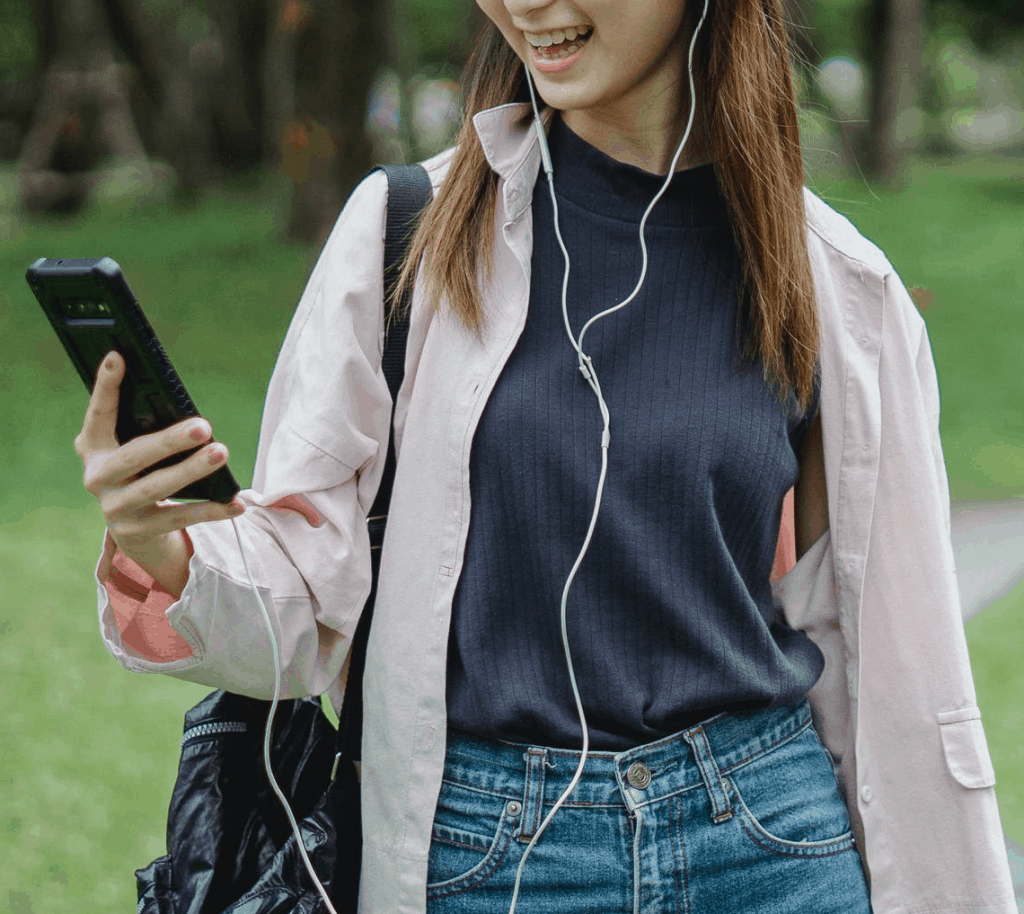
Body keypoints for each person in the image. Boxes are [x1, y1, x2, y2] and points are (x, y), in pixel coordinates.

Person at [75, 0, 1017, 912]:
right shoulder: (405, 232)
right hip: (491, 853)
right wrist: (168, 553)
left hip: (767, 838)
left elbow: (895, 668)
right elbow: (308, 599)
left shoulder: (840, 286)